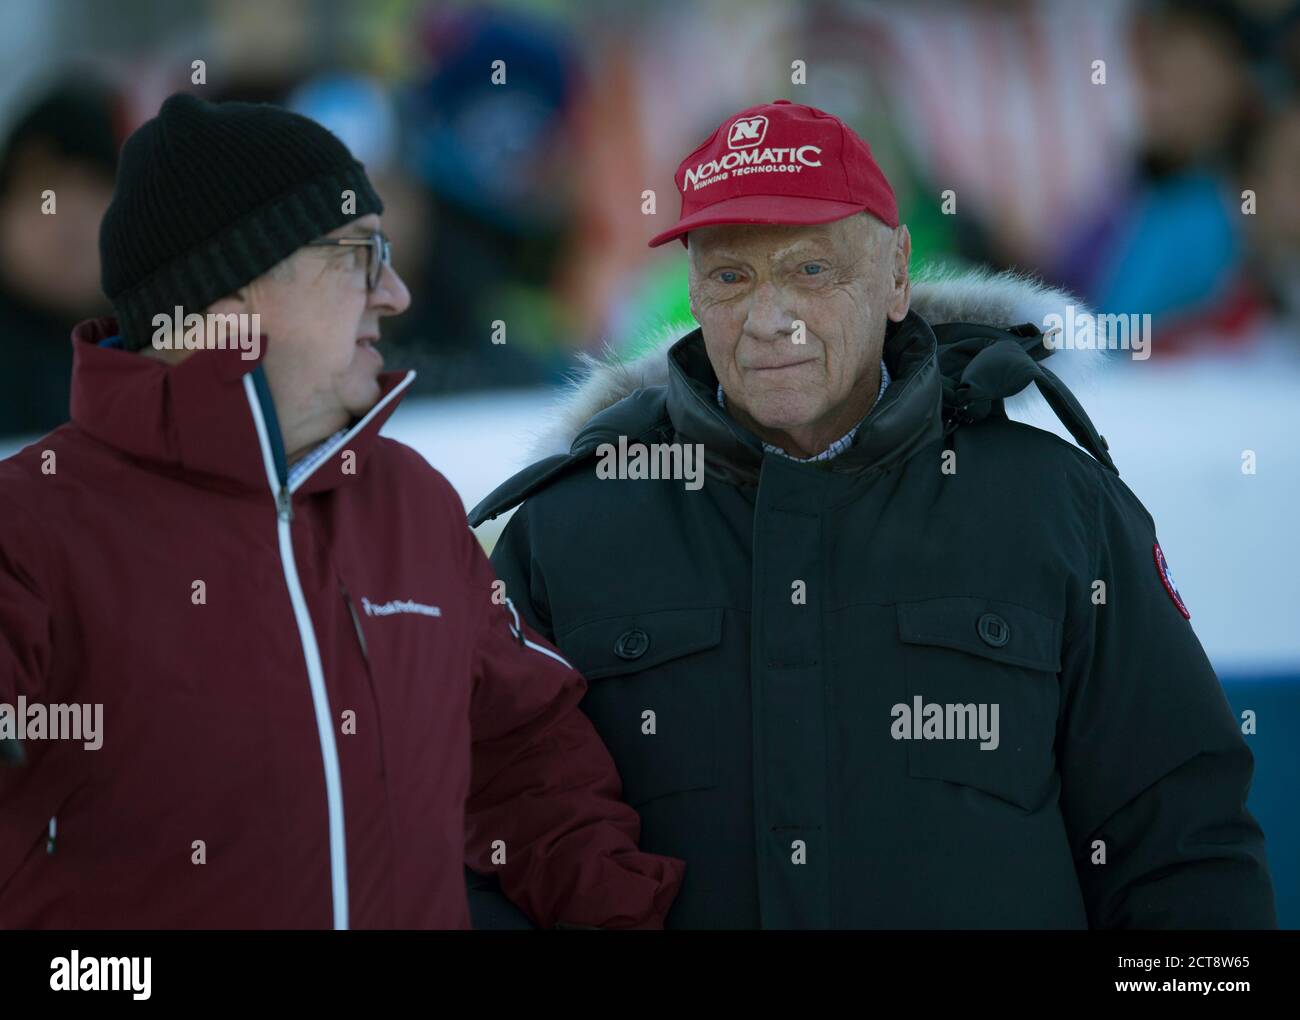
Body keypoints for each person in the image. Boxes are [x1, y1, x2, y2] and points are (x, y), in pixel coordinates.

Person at [470, 100, 1278, 928]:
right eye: (729, 276)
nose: (769, 318)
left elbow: (1183, 840)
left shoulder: (1055, 507)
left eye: (811, 270)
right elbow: (490, 839)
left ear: (897, 273)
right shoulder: (566, 532)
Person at [0, 93, 682, 929]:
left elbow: (525, 764)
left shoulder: (411, 503)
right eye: (359, 254)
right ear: (233, 287)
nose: (394, 292)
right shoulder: (30, 527)